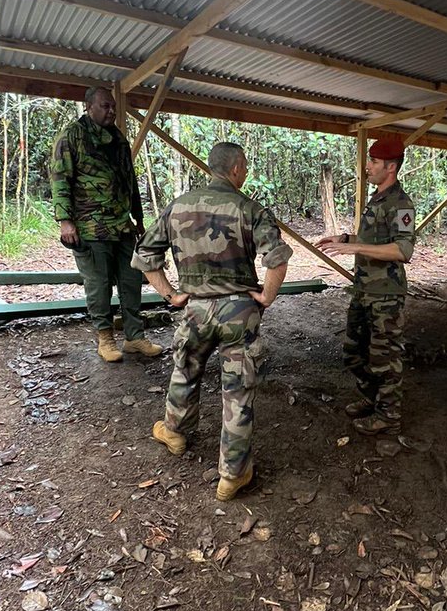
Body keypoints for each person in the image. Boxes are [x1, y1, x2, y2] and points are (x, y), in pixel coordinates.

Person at [132, 142, 292, 501]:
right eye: (246, 166)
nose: (246, 172)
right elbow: (277, 259)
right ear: (235, 168)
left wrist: (171, 295)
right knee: (237, 389)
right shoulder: (250, 209)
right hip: (239, 312)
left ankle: (174, 430)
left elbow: (144, 256)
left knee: (186, 366)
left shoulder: (178, 206)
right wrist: (266, 296)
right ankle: (233, 474)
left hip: (196, 308)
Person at [50, 85, 161, 362]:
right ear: (88, 107)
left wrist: (138, 216)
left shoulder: (119, 139)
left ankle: (134, 338)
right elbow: (60, 179)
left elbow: (129, 180)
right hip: (90, 226)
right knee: (99, 284)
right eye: (105, 106)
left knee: (132, 278)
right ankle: (105, 338)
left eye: (113, 106)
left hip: (121, 224)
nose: (111, 111)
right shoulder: (72, 136)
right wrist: (65, 221)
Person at [317, 136, 415, 437]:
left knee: (384, 357)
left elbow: (403, 250)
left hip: (386, 294)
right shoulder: (377, 199)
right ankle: (372, 401)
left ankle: (389, 417)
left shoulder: (401, 203)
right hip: (364, 291)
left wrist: (354, 249)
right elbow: (374, 240)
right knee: (354, 352)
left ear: (391, 167)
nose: (367, 166)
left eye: (373, 162)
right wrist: (346, 240)